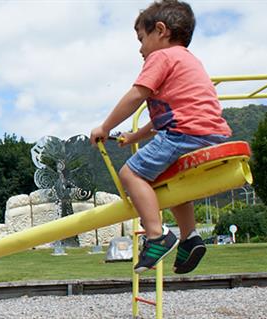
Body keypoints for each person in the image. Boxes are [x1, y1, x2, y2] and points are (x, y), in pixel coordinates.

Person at [89, 0, 231, 274]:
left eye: (141, 39)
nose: (140, 48)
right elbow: (163, 116)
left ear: (161, 30)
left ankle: (157, 235)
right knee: (171, 184)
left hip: (183, 134)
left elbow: (137, 95)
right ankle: (190, 237)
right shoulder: (189, 61)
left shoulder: (161, 57)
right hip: (208, 133)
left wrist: (105, 127)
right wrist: (134, 136)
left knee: (130, 174)